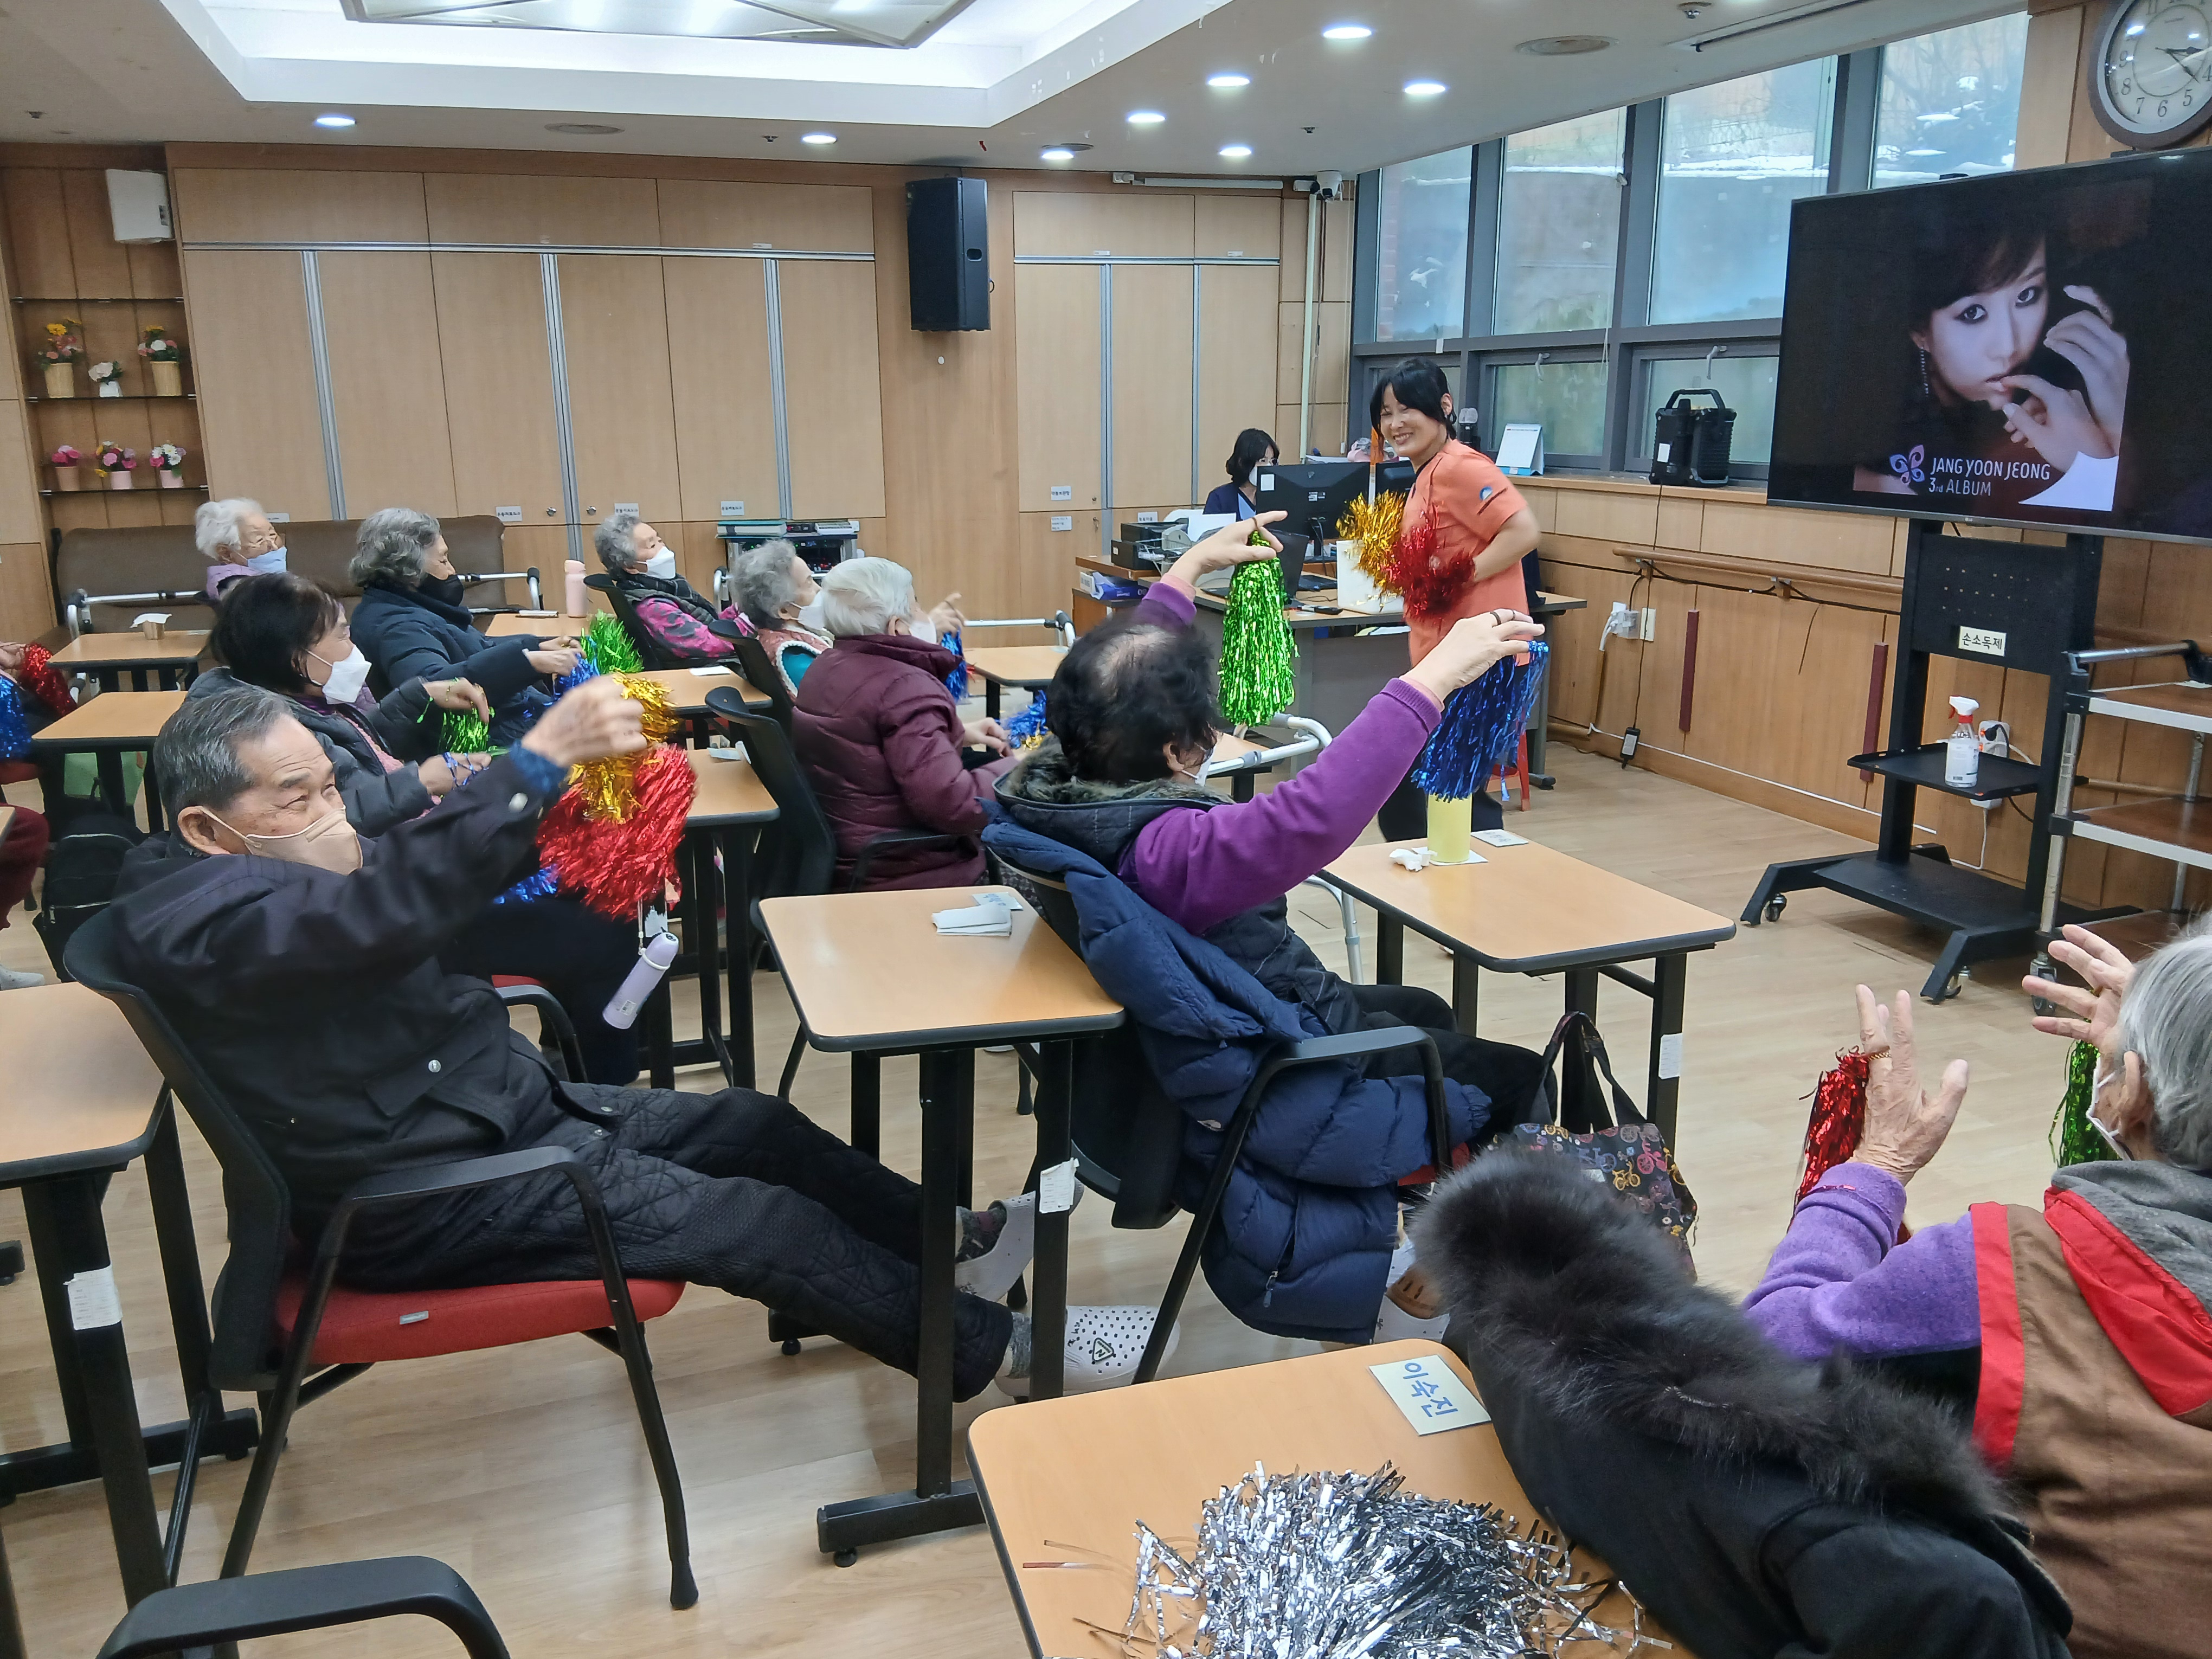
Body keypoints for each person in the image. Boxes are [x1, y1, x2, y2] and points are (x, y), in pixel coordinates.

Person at [107, 680, 1166, 1398]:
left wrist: (558, 812)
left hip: (504, 1120)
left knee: (755, 1127)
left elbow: (405, 892)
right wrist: (532, 766)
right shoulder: (201, 923)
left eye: (333, 786)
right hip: (433, 1194)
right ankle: (1006, 1352)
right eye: (299, 797)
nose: (335, 813)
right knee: (754, 1225)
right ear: (206, 829)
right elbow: (378, 915)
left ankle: (957, 1247)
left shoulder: (263, 880)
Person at [988, 512, 1551, 1342]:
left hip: (1232, 1026)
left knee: (1425, 1011)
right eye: (1206, 731)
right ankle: (1485, 1265)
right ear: (1177, 753)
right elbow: (1308, 817)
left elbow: (1112, 679)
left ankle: (1414, 1220)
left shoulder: (1049, 787)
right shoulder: (1171, 853)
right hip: (1282, 1058)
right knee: (1521, 1080)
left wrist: (1186, 573)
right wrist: (1432, 679)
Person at [1742, 923, 2212, 1659]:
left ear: (2134, 1094)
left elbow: (1761, 1356)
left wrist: (1877, 1168)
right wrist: (2182, 1026)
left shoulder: (2008, 1272)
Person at [1412, 1151, 2073, 1659]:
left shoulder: (1502, 1326)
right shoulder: (1936, 1586)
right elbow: (1783, 1334)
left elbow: (1781, 1333)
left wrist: (1869, 1173)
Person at [192, 572, 644, 1084]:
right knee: (602, 924)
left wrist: (420, 698)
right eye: (340, 634)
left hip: (412, 865)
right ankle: (605, 1085)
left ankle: (578, 1055)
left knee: (592, 872)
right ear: (299, 657)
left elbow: (364, 752)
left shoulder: (298, 704)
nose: (354, 646)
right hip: (397, 901)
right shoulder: (272, 738)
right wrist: (424, 781)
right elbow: (336, 821)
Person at [1850, 214, 2129, 515]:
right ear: (1920, 332)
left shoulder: (2069, 384)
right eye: (1972, 313)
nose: (2008, 347)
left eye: (2027, 295)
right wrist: (2095, 468)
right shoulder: (1877, 448)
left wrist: (2116, 417)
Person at [1369, 358, 1542, 839]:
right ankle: (1439, 874)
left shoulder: (1460, 467)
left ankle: (1476, 875)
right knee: (1415, 793)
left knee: (1447, 792)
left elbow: (1523, 531)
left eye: (1407, 409)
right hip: (1446, 658)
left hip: (1477, 664)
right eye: (1386, 413)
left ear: (1443, 406)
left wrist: (1458, 578)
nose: (1395, 424)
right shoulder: (1428, 472)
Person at [792, 556, 1008, 891]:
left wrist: (954, 733)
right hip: (909, 868)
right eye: (916, 605)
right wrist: (1019, 770)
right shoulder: (906, 688)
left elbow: (867, 745)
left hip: (849, 856)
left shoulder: (825, 667)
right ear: (897, 627)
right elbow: (956, 806)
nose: (922, 614)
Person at [348, 507, 577, 743]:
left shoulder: (405, 607)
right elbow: (432, 687)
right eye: (443, 560)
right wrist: (526, 663)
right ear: (409, 570)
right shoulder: (398, 626)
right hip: (486, 744)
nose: (452, 571)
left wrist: (534, 646)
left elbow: (473, 647)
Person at [594, 512, 743, 666]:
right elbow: (709, 643)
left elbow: (708, 624)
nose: (663, 548)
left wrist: (742, 609)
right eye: (652, 546)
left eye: (659, 540)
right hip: (708, 667)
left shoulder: (666, 586)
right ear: (630, 566)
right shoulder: (651, 607)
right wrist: (748, 626)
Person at [727, 540, 832, 695]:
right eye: (809, 584)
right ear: (784, 610)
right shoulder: (794, 657)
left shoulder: (769, 637)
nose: (820, 590)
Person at [195, 498, 290, 605]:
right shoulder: (238, 589)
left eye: (273, 535)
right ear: (226, 554)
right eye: (259, 540)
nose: (274, 546)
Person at [1203, 428, 1276, 520]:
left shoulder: (1274, 498)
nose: (1269, 466)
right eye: (1263, 461)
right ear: (1242, 462)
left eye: (1272, 461)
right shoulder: (1220, 498)